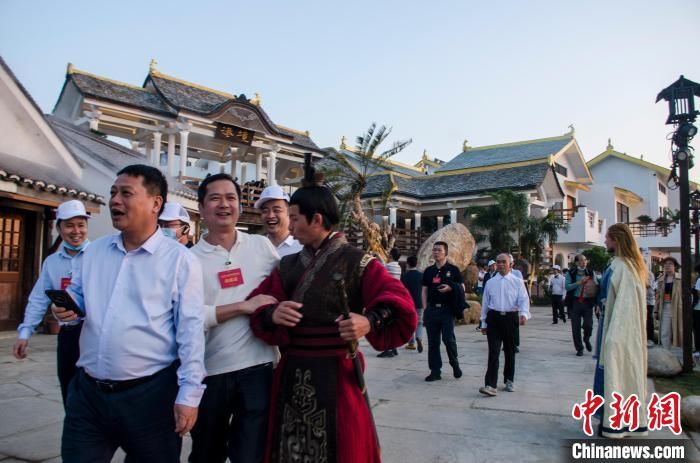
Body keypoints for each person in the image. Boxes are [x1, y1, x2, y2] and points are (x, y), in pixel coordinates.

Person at [248, 168, 416, 463]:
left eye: (296, 218)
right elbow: (258, 305)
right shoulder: (286, 266)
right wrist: (273, 313)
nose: (292, 226)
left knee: (345, 448)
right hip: (293, 371)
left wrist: (370, 321)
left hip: (339, 372)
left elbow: (398, 302)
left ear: (316, 220)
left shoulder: (359, 261)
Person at [51, 164, 206, 462]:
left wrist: (189, 394)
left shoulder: (179, 261)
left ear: (155, 203)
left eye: (126, 193)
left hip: (150, 398)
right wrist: (65, 310)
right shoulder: (94, 252)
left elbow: (190, 332)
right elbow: (78, 302)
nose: (114, 201)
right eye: (112, 193)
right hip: (88, 395)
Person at [188, 173, 281, 463]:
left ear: (240, 206)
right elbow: (190, 317)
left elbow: (284, 290)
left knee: (252, 454)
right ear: (202, 208)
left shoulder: (261, 247)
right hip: (210, 372)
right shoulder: (189, 259)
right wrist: (243, 306)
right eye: (215, 198)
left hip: (258, 369)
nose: (224, 204)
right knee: (206, 452)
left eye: (231, 198)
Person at [13, 200, 91, 405]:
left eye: (81, 225)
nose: (76, 231)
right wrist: (25, 332)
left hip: (95, 336)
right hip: (67, 337)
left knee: (94, 394)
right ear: (59, 228)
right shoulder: (52, 262)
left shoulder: (98, 256)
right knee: (69, 390)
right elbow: (39, 298)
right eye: (69, 225)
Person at [593, 223, 648, 438]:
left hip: (617, 330)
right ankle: (608, 417)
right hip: (607, 324)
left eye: (607, 238)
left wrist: (614, 337)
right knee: (605, 374)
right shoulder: (617, 265)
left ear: (616, 240)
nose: (605, 241)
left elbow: (626, 308)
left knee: (615, 373)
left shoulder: (625, 268)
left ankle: (615, 421)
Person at [478, 254, 531, 396]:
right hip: (494, 318)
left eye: (503, 262)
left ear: (510, 264)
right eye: (498, 262)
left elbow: (524, 300)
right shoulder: (490, 282)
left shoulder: (517, 281)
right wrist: (483, 322)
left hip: (510, 318)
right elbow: (485, 304)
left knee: (510, 351)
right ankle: (490, 384)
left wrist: (524, 314)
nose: (500, 264)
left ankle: (509, 379)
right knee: (493, 351)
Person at [422, 241, 464, 382]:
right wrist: (425, 308)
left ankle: (454, 363)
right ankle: (435, 371)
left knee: (448, 339)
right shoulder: (429, 271)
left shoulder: (453, 270)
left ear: (446, 252)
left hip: (447, 310)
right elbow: (424, 290)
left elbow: (462, 288)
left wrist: (451, 288)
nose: (436, 252)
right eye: (434, 250)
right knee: (433, 342)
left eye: (439, 250)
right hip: (432, 310)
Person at [254, 185, 303, 258]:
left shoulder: (302, 246)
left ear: (289, 212)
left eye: (276, 210)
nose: (270, 216)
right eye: (265, 211)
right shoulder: (256, 247)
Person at [565, 254, 598, 356]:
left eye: (585, 260)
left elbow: (596, 286)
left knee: (588, 324)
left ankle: (586, 338)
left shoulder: (591, 272)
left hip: (588, 302)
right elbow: (567, 287)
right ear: (576, 262)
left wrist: (596, 302)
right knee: (575, 327)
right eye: (581, 260)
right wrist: (579, 282)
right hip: (575, 302)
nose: (584, 262)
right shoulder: (571, 273)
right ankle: (579, 348)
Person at [378, 247, 403, 357]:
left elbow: (380, 268)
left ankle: (387, 349)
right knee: (392, 323)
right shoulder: (398, 267)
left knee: (385, 324)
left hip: (387, 297)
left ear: (391, 256)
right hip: (396, 297)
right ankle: (394, 348)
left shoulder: (388, 266)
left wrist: (377, 256)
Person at [654, 256, 682, 349]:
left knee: (679, 331)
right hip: (665, 307)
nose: (667, 266)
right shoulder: (661, 280)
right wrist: (656, 310)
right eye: (665, 264)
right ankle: (667, 354)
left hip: (678, 308)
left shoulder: (680, 279)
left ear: (675, 266)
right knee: (664, 332)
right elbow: (657, 297)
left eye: (670, 264)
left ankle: (680, 354)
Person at [402, 255, 424, 352]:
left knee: (410, 323)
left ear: (408, 264)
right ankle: (419, 337)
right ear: (416, 263)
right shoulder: (421, 275)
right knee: (419, 322)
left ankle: (411, 343)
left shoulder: (404, 276)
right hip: (420, 302)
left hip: (408, 303)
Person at [645, 268, 657, 346]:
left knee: (649, 319)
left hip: (649, 301)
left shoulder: (649, 273)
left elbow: (648, 284)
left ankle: (650, 338)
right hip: (643, 300)